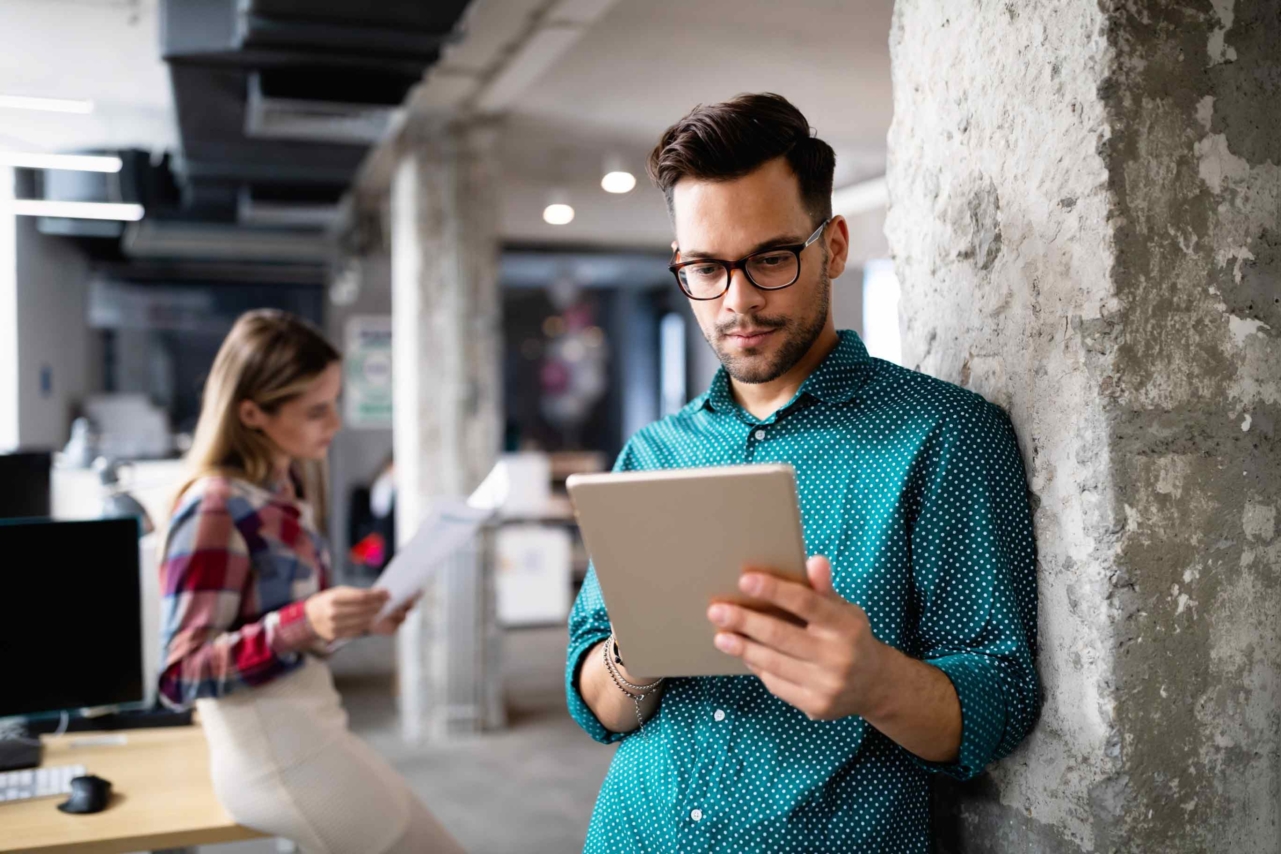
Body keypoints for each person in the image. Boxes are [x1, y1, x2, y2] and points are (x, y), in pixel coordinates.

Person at [566, 94, 1040, 852]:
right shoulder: (653, 453)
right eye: (704, 268)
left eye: (770, 258)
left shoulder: (942, 435)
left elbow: (1002, 699)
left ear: (834, 246)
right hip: (634, 830)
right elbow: (595, 702)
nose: (738, 300)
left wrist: (877, 683)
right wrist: (636, 651)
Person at [157, 309, 463, 854]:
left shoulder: (282, 489)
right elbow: (181, 674)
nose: (336, 423)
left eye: (335, 403)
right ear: (252, 413)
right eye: (317, 410)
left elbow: (283, 627)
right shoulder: (214, 507)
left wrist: (353, 622)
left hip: (314, 727)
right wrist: (302, 624)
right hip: (275, 753)